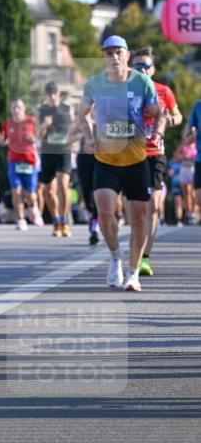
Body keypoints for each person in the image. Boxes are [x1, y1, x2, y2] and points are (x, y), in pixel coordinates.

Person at [77, 35, 164, 292]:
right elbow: (82, 113)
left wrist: (158, 133)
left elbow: (158, 113)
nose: (113, 57)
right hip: (106, 159)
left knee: (138, 217)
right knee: (104, 208)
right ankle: (115, 257)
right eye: (108, 53)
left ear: (127, 55)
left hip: (137, 159)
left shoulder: (142, 82)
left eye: (118, 52)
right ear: (103, 57)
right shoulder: (94, 83)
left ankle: (133, 272)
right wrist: (89, 137)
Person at [128, 47, 182, 276]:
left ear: (153, 69)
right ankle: (134, 251)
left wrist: (169, 119)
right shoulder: (126, 90)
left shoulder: (163, 91)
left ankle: (144, 258)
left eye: (146, 66)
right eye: (138, 66)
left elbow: (178, 116)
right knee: (136, 209)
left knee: (154, 206)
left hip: (155, 154)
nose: (142, 69)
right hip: (130, 154)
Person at [0, 98, 44, 230]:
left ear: (24, 108)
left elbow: (40, 138)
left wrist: (35, 139)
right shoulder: (7, 124)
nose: (16, 110)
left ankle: (32, 207)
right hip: (14, 161)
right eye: (14, 107)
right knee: (16, 191)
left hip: (30, 161)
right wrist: (2, 141)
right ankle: (21, 219)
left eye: (19, 107)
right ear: (11, 110)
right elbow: (3, 140)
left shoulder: (32, 122)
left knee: (30, 193)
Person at [37, 81, 73, 236]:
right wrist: (44, 125)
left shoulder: (67, 109)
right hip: (47, 152)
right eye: (49, 93)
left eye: (54, 93)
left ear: (59, 94)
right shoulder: (42, 110)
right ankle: (56, 221)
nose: (52, 96)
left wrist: (74, 140)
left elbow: (74, 128)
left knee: (63, 185)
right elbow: (38, 135)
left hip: (64, 151)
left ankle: (65, 221)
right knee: (49, 190)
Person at [183, 98, 201, 222]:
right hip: (200, 158)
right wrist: (190, 136)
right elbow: (187, 133)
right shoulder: (198, 106)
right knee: (198, 196)